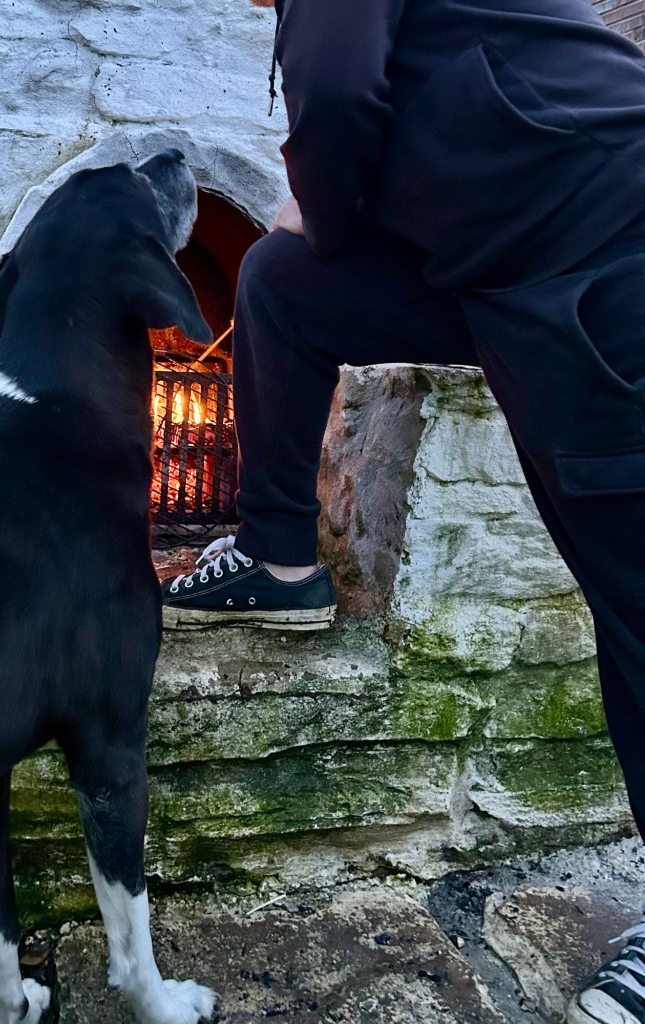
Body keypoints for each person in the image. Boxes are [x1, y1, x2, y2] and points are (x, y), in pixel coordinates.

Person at [162, 4, 645, 1018]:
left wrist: (321, 205)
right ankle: (278, 557)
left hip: (605, 246)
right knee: (282, 279)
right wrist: (319, 226)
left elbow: (336, 98)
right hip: (495, 260)